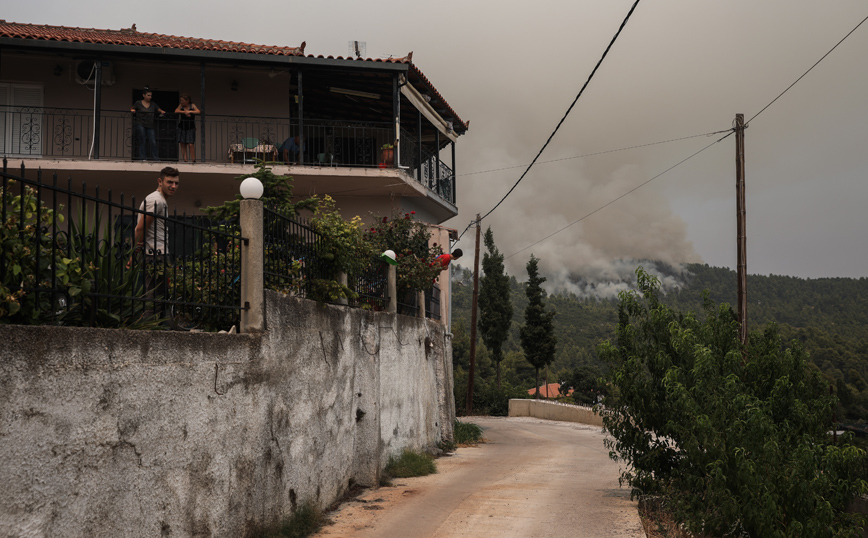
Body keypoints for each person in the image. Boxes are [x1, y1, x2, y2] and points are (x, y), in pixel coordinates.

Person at [128, 167, 180, 318]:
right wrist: (134, 253)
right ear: (160, 181)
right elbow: (140, 228)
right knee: (153, 296)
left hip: (159, 252)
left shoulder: (161, 200)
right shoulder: (155, 200)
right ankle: (149, 328)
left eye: (176, 183)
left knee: (160, 296)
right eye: (169, 182)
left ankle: (155, 327)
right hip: (154, 254)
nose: (173, 186)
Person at [131, 90, 166, 161]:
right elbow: (132, 108)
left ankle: (156, 158)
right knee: (142, 140)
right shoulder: (138, 102)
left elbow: (158, 109)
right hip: (140, 123)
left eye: (151, 95)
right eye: (148, 95)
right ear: (144, 95)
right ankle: (143, 158)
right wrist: (133, 110)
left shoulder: (153, 104)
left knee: (153, 141)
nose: (150, 97)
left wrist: (161, 111)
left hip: (150, 125)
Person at [174, 93, 200, 162]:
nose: (181, 102)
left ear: (187, 100)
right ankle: (185, 159)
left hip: (190, 126)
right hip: (182, 126)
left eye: (182, 100)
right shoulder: (181, 106)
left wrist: (190, 111)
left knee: (190, 144)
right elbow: (176, 111)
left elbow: (198, 111)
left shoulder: (192, 105)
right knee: (182, 143)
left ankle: (193, 159)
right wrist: (184, 112)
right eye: (181, 100)